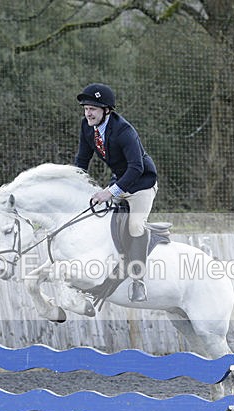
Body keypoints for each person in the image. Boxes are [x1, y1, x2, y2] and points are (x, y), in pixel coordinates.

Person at [74, 83, 158, 303]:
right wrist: (73, 185)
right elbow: (82, 160)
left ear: (107, 110)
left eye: (93, 108)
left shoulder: (124, 131)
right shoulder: (86, 127)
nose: (88, 113)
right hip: (120, 180)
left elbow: (137, 167)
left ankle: (138, 281)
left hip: (142, 183)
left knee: (135, 226)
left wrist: (110, 192)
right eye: (86, 108)